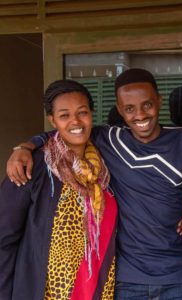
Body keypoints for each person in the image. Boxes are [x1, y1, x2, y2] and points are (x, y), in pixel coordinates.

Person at [6, 69, 182, 299]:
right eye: (129, 108)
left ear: (159, 101)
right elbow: (65, 130)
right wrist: (25, 147)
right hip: (126, 279)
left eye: (147, 105)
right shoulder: (107, 139)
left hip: (176, 277)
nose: (140, 115)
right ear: (119, 110)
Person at [0, 80, 117, 299]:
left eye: (82, 112)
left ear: (92, 113)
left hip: (99, 289)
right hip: (49, 292)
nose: (75, 121)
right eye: (64, 115)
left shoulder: (107, 162)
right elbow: (3, 238)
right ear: (52, 120)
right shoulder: (33, 167)